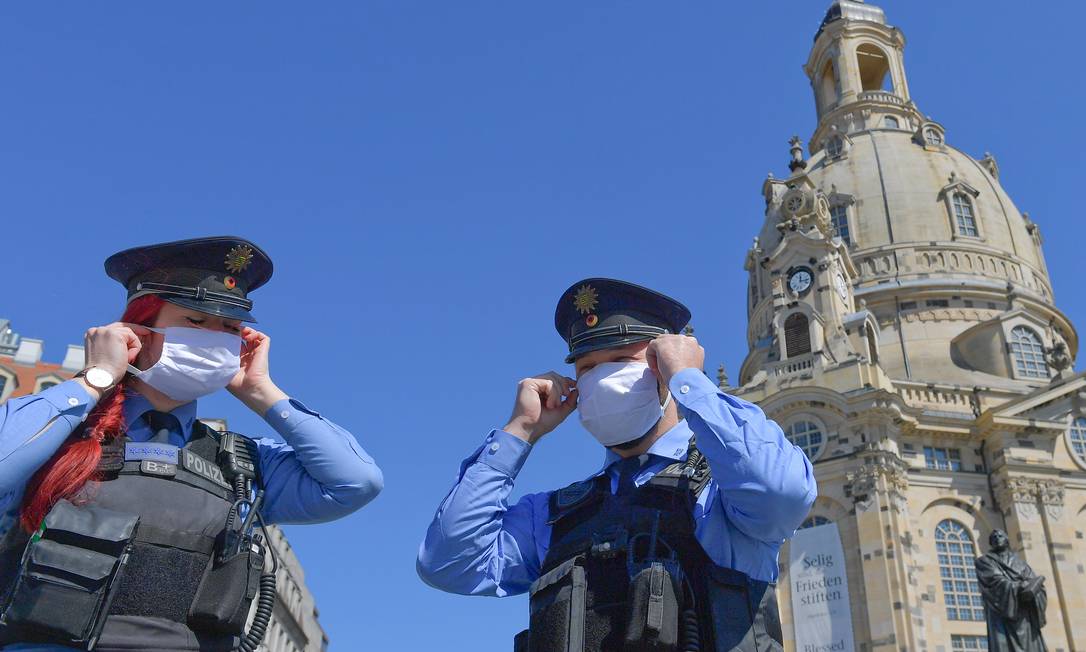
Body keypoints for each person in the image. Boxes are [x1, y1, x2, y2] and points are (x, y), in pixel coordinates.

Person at [0, 237, 383, 651]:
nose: (214, 339)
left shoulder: (238, 462)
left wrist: (261, 392)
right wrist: (94, 379)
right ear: (136, 331)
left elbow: (355, 482)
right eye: (195, 323)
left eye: (231, 329)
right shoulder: (56, 429)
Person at [417, 278, 816, 651]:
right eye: (588, 368)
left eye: (622, 358)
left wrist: (691, 382)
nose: (602, 379)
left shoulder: (723, 488)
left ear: (665, 364)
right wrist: (519, 432)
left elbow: (782, 493)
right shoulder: (557, 516)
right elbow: (449, 562)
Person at [975, 529, 1048, 652]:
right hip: (1001, 612)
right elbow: (994, 581)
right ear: (990, 543)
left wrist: (1036, 590)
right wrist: (1020, 586)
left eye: (1000, 535)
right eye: (994, 537)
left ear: (1007, 540)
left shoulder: (1021, 564)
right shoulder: (984, 561)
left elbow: (1036, 585)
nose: (997, 538)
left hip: (1024, 616)